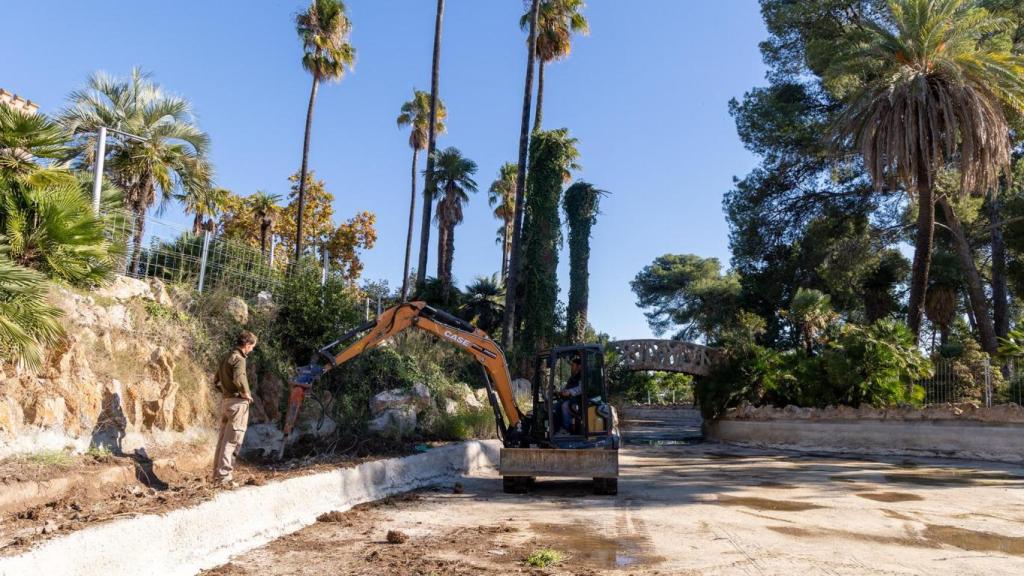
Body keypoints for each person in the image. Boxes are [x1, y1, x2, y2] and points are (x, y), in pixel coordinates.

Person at [212, 330, 257, 486]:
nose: (252, 350)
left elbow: (216, 381)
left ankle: (217, 477)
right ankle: (224, 477)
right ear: (247, 344)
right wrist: (245, 393)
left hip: (226, 402)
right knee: (232, 441)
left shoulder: (226, 357)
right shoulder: (239, 359)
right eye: (252, 346)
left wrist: (226, 393)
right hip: (238, 404)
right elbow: (238, 377)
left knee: (222, 440)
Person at [556, 357, 583, 434]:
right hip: (572, 399)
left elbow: (581, 389)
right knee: (556, 405)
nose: (571, 367)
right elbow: (567, 386)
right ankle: (557, 427)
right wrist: (561, 391)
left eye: (573, 366)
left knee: (565, 405)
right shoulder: (573, 377)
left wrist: (569, 392)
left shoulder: (582, 376)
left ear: (579, 366)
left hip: (579, 401)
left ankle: (566, 428)